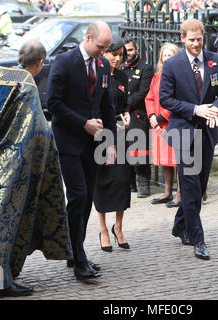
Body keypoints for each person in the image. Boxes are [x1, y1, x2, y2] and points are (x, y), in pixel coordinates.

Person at [0, 39, 72, 297]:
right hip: (11, 167)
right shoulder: (28, 86)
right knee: (4, 226)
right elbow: (38, 131)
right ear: (39, 63)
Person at [46, 20, 117, 281]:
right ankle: (78, 258)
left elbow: (107, 106)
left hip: (93, 145)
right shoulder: (64, 62)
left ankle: (74, 249)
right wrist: (83, 123)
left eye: (107, 47)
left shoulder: (104, 65)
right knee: (77, 196)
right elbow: (53, 103)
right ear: (88, 38)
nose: (103, 52)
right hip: (68, 142)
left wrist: (109, 143)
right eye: (101, 46)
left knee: (86, 200)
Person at [159, 18, 218, 260]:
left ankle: (180, 224)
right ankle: (197, 238)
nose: (196, 44)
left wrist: (215, 109)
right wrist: (195, 109)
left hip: (207, 133)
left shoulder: (216, 60)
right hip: (184, 133)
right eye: (191, 40)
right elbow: (165, 100)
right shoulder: (172, 65)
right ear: (182, 38)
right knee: (189, 187)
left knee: (198, 187)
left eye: (199, 39)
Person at [93, 36, 131, 252]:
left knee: (122, 180)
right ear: (104, 55)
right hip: (101, 133)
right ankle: (103, 229)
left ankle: (118, 227)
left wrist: (126, 114)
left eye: (120, 55)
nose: (117, 59)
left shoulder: (123, 77)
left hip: (120, 133)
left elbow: (124, 104)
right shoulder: (98, 75)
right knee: (104, 180)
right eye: (113, 55)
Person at [145, 42, 182, 208]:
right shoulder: (158, 76)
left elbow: (178, 101)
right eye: (165, 55)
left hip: (172, 123)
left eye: (171, 55)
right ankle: (167, 192)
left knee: (177, 161)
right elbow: (150, 98)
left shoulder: (181, 76)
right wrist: (152, 116)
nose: (167, 58)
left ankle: (180, 194)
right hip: (159, 124)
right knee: (165, 161)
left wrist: (161, 116)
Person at [120, 38, 154, 198]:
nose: (128, 54)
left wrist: (125, 105)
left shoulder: (145, 68)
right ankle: (129, 183)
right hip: (122, 113)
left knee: (139, 149)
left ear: (137, 49)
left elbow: (142, 93)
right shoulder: (119, 67)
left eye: (130, 50)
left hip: (137, 113)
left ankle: (144, 183)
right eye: (125, 51)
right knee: (123, 148)